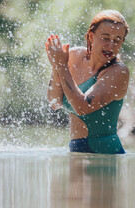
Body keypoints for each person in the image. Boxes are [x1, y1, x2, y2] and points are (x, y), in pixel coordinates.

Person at [45, 10, 130, 154]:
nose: (110, 45)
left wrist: (61, 66)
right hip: (77, 150)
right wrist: (56, 67)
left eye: (117, 40)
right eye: (105, 37)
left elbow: (82, 107)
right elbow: (54, 102)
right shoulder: (73, 57)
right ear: (91, 36)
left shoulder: (118, 72)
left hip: (104, 153)